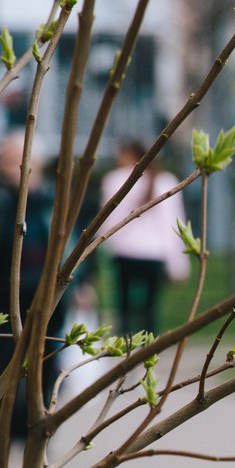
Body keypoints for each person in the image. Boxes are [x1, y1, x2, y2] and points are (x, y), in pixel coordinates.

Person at [0, 133, 63, 443]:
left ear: (34, 164)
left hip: (48, 294)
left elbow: (71, 242)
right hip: (3, 292)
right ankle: (4, 423)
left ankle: (38, 421)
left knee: (47, 356)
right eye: (3, 161)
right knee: (4, 359)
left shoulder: (53, 199)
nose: (6, 167)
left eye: (13, 160)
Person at [98, 140, 189, 334]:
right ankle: (149, 346)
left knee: (123, 303)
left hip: (125, 251)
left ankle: (125, 344)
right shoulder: (165, 180)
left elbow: (108, 219)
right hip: (154, 253)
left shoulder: (115, 179)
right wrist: (177, 263)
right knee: (150, 307)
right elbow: (172, 223)